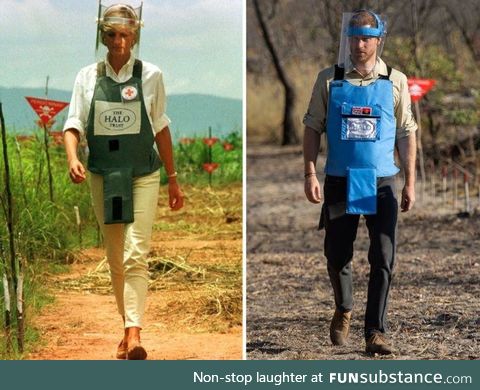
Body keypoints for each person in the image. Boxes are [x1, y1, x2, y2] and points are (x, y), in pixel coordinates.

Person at [63, 3, 184, 360]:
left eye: (125, 34)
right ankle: (125, 327)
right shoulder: (87, 77)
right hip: (103, 175)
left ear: (135, 36)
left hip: (143, 174)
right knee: (116, 256)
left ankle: (134, 333)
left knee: (136, 253)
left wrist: (173, 179)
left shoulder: (151, 75)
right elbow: (72, 125)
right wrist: (73, 158)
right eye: (112, 34)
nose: (119, 41)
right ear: (103, 36)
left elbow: (160, 127)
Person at [303, 9, 417, 355]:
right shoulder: (330, 79)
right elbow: (312, 127)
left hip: (382, 181)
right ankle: (344, 307)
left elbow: (406, 132)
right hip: (340, 179)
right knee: (337, 255)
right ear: (347, 39)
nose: (359, 44)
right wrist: (310, 172)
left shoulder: (395, 80)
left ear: (379, 40)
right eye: (354, 37)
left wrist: (410, 182)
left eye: (366, 38)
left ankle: (375, 332)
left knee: (383, 254)